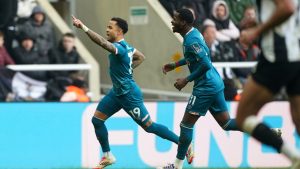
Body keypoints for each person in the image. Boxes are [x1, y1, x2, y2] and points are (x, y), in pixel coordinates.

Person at [72, 16, 194, 168]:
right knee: (97, 120)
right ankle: (108, 156)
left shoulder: (121, 48)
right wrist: (127, 70)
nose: (107, 30)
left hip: (128, 95)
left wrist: (83, 27)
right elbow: (141, 57)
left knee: (150, 127)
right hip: (117, 93)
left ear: (119, 31)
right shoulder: (129, 48)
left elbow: (103, 43)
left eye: (110, 27)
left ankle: (184, 144)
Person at [159, 8, 243, 169]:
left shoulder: (192, 40)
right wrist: (175, 64)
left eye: (175, 18)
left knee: (185, 125)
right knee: (226, 123)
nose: (172, 20)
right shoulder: (192, 34)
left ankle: (177, 165)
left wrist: (186, 79)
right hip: (215, 83)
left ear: (183, 22)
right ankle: (267, 131)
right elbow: (196, 57)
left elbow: (205, 63)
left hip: (205, 87)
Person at [236, 0, 300, 168]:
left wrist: (256, 31)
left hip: (278, 56)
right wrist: (259, 22)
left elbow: (287, 8)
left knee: (244, 116)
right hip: (296, 54)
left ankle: (294, 157)